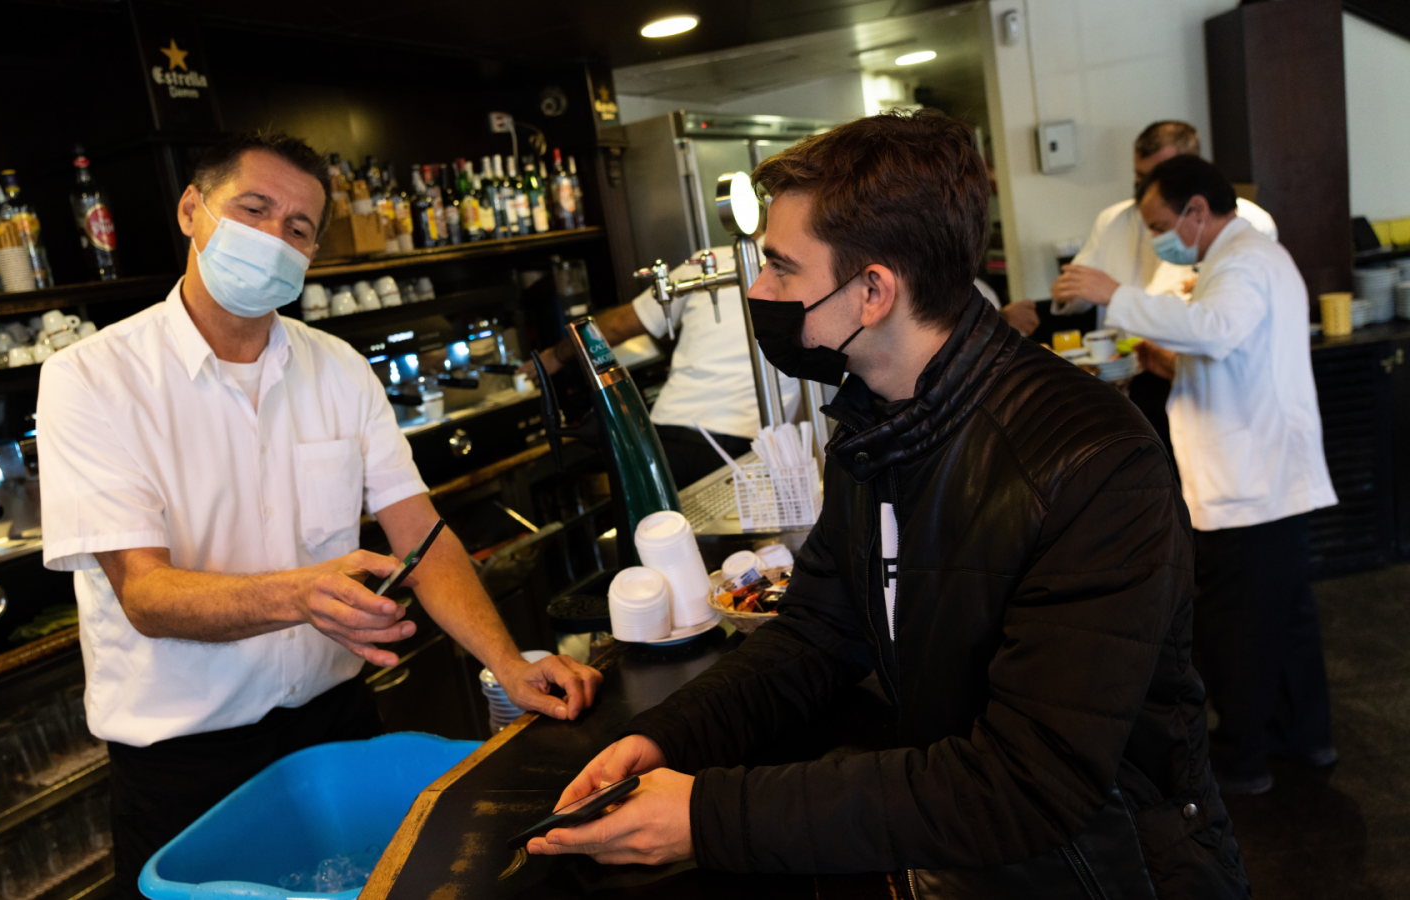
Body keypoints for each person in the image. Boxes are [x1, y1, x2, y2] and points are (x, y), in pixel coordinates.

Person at [525, 111, 1248, 897]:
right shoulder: (876, 421)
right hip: (966, 859)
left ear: (872, 291)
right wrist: (667, 739)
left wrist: (709, 816)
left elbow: (1027, 785)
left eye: (780, 270)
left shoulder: (1094, 464)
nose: (758, 293)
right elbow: (818, 634)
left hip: (1111, 870)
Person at [37, 132, 602, 898]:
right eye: (255, 209)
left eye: (299, 229)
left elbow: (420, 533)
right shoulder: (91, 379)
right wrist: (300, 594)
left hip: (336, 731)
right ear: (191, 211)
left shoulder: (338, 369)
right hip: (183, 765)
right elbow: (145, 594)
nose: (275, 238)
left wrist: (507, 662)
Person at [1059, 154, 1338, 796]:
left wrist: (1115, 296)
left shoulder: (1244, 259)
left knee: (1238, 629)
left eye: (1160, 223)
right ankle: (1307, 740)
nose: (1158, 236)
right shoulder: (1235, 262)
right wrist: (1166, 363)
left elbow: (1215, 333)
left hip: (1251, 483)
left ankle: (1245, 761)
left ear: (1196, 211)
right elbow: (1229, 355)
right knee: (1286, 621)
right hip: (1261, 476)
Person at [523, 257, 1035, 490]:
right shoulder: (723, 267)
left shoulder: (713, 266)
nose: (762, 289)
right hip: (714, 448)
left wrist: (550, 359)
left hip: (667, 441)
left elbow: (607, 328)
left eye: (780, 268)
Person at [523, 245, 800, 488]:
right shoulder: (803, 270)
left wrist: (555, 356)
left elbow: (617, 326)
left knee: (654, 540)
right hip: (741, 447)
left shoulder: (707, 260)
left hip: (661, 439)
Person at [1052, 120, 1277, 327]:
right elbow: (1081, 291)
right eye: (1140, 178)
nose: (1148, 189)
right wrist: (1070, 292)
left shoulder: (1246, 224)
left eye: (1159, 177)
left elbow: (1216, 323)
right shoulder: (1113, 220)